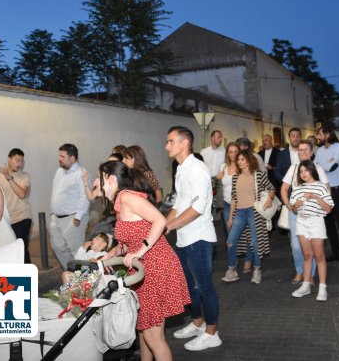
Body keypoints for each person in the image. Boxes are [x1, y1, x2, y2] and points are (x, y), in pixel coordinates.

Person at [98, 161, 190, 360]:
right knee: (143, 330)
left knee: (153, 336)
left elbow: (160, 220)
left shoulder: (127, 197)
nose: (98, 184)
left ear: (111, 179)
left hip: (155, 265)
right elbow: (128, 240)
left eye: (101, 179)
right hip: (143, 267)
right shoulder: (119, 203)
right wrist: (112, 253)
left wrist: (140, 250)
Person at [165, 126, 221, 351]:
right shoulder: (181, 168)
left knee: (204, 287)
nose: (166, 146)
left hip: (199, 238)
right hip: (184, 237)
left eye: (170, 142)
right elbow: (179, 205)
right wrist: (163, 226)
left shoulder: (197, 169)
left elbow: (197, 208)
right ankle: (198, 323)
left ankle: (212, 333)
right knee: (190, 286)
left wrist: (168, 226)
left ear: (183, 143)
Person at [222, 150, 275, 285]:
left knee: (255, 243)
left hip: (254, 212)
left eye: (242, 159)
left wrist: (270, 199)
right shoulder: (235, 177)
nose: (239, 162)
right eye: (238, 160)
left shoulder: (258, 175)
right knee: (230, 241)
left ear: (249, 161)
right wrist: (231, 218)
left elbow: (271, 188)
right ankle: (232, 270)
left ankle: (257, 269)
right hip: (239, 213)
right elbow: (234, 197)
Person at [280, 140, 329, 285]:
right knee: (296, 246)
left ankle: (311, 275)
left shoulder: (317, 169)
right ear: (297, 152)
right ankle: (300, 271)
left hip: (313, 215)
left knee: (312, 246)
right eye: (300, 150)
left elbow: (327, 189)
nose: (303, 152)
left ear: (312, 151)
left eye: (306, 149)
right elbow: (283, 188)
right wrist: (289, 205)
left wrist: (321, 204)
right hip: (296, 213)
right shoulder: (294, 168)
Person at [288, 160, 334, 301]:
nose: (303, 174)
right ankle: (306, 285)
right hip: (301, 222)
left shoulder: (321, 187)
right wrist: (295, 206)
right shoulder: (297, 188)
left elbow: (328, 209)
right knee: (307, 255)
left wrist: (316, 197)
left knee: (319, 256)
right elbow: (294, 210)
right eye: (301, 172)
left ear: (312, 170)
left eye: (306, 170)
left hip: (316, 221)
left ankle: (322, 287)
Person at [315, 124, 339, 268]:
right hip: (324, 191)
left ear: (327, 134)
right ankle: (336, 252)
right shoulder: (319, 150)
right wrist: (323, 164)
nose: (318, 137)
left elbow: (333, 167)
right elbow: (314, 167)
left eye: (319, 134)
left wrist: (321, 165)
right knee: (329, 224)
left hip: (337, 191)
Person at [50, 144, 90, 270]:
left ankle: (84, 280)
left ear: (72, 158)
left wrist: (78, 216)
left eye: (62, 156)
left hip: (73, 218)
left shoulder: (81, 173)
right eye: (59, 155)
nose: (59, 159)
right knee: (58, 247)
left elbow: (85, 196)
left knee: (77, 251)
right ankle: (71, 273)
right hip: (56, 218)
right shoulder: (59, 171)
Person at [0, 148, 33, 263]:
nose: (20, 164)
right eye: (17, 160)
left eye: (22, 161)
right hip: (5, 220)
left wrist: (9, 178)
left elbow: (21, 194)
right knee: (8, 251)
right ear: (9, 159)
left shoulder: (24, 176)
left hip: (22, 218)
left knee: (21, 249)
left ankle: (29, 278)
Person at [215, 142, 240, 241]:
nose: (233, 154)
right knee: (230, 230)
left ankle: (245, 254)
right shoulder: (223, 167)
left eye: (235, 152)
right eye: (230, 152)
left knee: (241, 231)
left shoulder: (242, 166)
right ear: (227, 154)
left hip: (240, 203)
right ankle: (233, 254)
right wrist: (217, 178)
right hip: (226, 204)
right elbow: (216, 186)